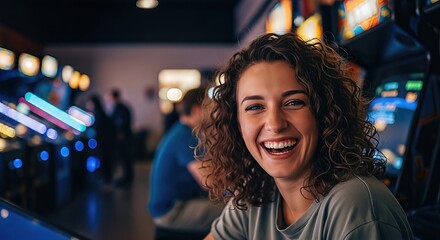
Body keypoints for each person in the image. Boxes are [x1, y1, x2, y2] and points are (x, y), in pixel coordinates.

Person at [195, 33, 414, 239]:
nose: (274, 124)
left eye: (294, 102)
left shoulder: (357, 206)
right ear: (236, 124)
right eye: (255, 107)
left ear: (326, 113)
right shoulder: (256, 196)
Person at [148, 87, 224, 234]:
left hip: (178, 202)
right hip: (171, 210)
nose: (216, 112)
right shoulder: (185, 136)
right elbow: (209, 182)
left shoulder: (184, 131)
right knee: (237, 214)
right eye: (211, 107)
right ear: (196, 110)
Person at [105, 88, 134, 186]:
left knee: (125, 158)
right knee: (125, 158)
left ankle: (127, 178)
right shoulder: (122, 107)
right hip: (124, 137)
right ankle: (127, 177)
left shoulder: (119, 108)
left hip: (122, 138)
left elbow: (120, 123)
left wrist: (119, 134)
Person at [86, 94, 114, 186]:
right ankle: (106, 180)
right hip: (105, 141)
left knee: (105, 160)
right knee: (105, 160)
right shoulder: (100, 112)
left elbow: (97, 127)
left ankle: (106, 181)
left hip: (103, 142)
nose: (88, 104)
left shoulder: (98, 113)